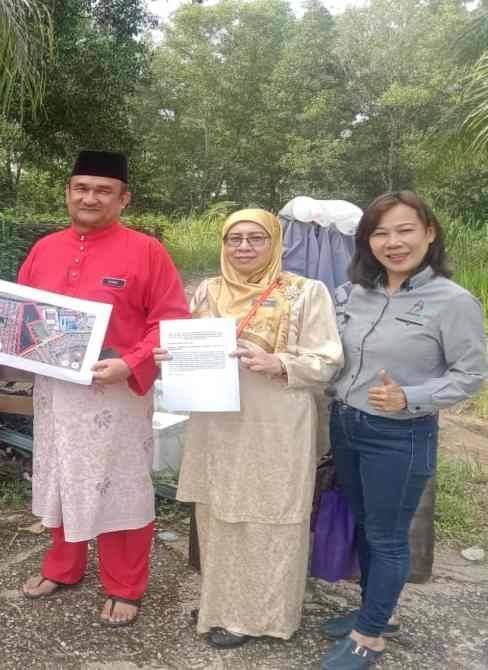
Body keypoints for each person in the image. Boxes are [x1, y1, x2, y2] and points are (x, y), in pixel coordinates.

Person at [0, 150, 190, 626]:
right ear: (69, 192)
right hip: (55, 392)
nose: (90, 197)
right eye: (80, 188)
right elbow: (22, 317)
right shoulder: (45, 248)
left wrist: (129, 362)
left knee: (120, 487)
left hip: (115, 392)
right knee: (59, 475)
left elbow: (171, 320)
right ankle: (62, 566)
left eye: (103, 190)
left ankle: (125, 584)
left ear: (123, 198)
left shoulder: (146, 251)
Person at [320, 191, 487, 670]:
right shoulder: (355, 292)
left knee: (389, 535)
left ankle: (369, 636)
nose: (393, 242)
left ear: (429, 233)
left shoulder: (452, 302)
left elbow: (470, 376)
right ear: (366, 241)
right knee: (367, 528)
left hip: (400, 434)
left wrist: (409, 397)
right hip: (347, 425)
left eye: (404, 230)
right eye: (380, 232)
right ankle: (379, 612)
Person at [175, 209, 344, 647]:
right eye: (235, 239)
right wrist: (169, 359)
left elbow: (328, 360)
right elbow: (186, 349)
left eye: (256, 238)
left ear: (275, 243)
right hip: (216, 423)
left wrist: (279, 362)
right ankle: (222, 604)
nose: (244, 247)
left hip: (276, 424)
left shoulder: (306, 292)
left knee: (270, 518)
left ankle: (260, 615)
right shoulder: (207, 292)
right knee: (218, 514)